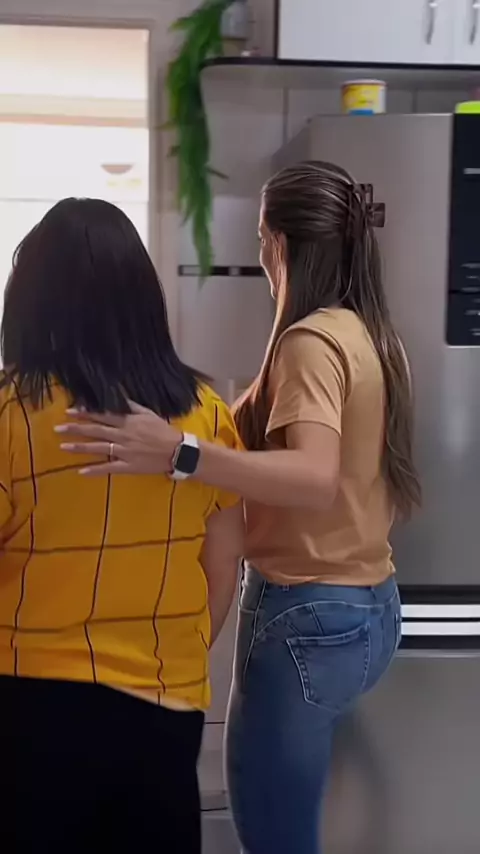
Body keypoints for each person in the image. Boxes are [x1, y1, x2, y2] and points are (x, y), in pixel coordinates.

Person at [58, 162, 421, 854]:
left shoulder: (310, 343)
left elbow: (314, 477)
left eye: (260, 239)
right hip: (371, 608)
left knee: (274, 833)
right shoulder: (368, 333)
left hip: (307, 615)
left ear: (278, 243)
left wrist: (180, 452)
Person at [0, 198, 244, 854]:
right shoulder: (205, 416)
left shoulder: (11, 415)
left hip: (30, 703)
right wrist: (180, 650)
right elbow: (224, 562)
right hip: (165, 702)